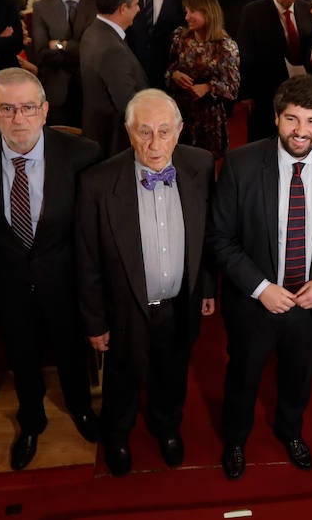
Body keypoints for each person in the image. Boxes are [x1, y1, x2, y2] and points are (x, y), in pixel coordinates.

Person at [209, 75, 312, 478]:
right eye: (293, 119)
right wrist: (261, 289)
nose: (302, 131)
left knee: (298, 378)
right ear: (277, 118)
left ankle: (290, 430)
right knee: (244, 376)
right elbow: (221, 239)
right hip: (255, 303)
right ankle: (235, 439)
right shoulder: (242, 163)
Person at [0, 68, 101, 469]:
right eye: (8, 109)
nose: (19, 119)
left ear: (45, 110)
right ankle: (31, 421)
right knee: (21, 355)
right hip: (5, 285)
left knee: (71, 352)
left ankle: (82, 409)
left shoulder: (82, 154)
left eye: (28, 108)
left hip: (64, 282)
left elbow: (92, 233)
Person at [76, 89, 214, 475]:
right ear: (128, 132)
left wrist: (205, 286)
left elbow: (206, 236)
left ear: (180, 130)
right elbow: (87, 260)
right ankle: (117, 435)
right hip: (125, 308)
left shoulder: (200, 166)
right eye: (144, 132)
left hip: (178, 304)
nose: (155, 145)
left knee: (172, 373)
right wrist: (95, 322)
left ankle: (167, 427)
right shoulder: (98, 183)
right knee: (122, 378)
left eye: (164, 131)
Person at [238, 0, 312, 140]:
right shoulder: (253, 12)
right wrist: (246, 93)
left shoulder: (307, 9)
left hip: (300, 93)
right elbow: (244, 53)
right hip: (265, 93)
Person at [165, 0, 240, 158]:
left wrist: (207, 87)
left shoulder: (225, 46)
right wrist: (175, 75)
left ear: (208, 12)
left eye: (192, 12)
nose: (187, 17)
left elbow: (233, 89)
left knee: (204, 169)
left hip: (209, 121)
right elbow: (168, 70)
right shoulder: (180, 38)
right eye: (186, 12)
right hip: (180, 114)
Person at [81, 0, 148, 154]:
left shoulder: (93, 31)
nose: (139, 9)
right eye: (135, 4)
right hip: (115, 144)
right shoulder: (112, 49)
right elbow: (127, 105)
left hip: (98, 133)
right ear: (122, 9)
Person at [29, 0, 95, 126]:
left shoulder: (97, 4)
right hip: (56, 94)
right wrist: (76, 48)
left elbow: (93, 52)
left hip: (92, 92)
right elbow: (41, 54)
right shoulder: (42, 7)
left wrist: (59, 45)